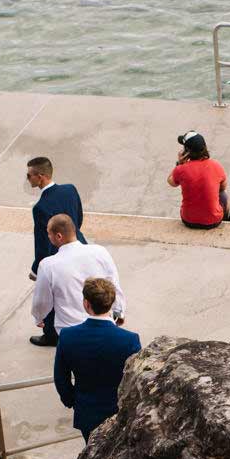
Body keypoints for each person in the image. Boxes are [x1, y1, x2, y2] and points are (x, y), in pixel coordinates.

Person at [53, 277, 140, 440]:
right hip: (119, 414)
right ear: (112, 303)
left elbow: (60, 378)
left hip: (87, 412)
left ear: (86, 303)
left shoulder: (67, 336)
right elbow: (135, 379)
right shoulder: (130, 340)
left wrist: (73, 401)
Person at [30, 213, 123, 347]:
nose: (48, 237)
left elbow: (42, 300)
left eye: (49, 233)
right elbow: (114, 284)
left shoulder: (48, 265)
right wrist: (119, 311)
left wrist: (39, 317)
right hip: (103, 323)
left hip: (70, 331)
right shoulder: (100, 252)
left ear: (59, 236)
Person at [26, 156, 86, 345]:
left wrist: (37, 268)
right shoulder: (70, 189)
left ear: (41, 177)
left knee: (52, 292)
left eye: (29, 175)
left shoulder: (40, 207)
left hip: (58, 253)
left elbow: (42, 243)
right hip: (79, 244)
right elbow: (79, 218)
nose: (27, 179)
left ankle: (51, 334)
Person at [169, 131, 229, 229]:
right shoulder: (216, 166)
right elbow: (223, 187)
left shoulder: (181, 169)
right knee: (223, 194)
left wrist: (179, 163)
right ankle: (226, 220)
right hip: (213, 221)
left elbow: (171, 182)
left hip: (188, 220)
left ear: (186, 151)